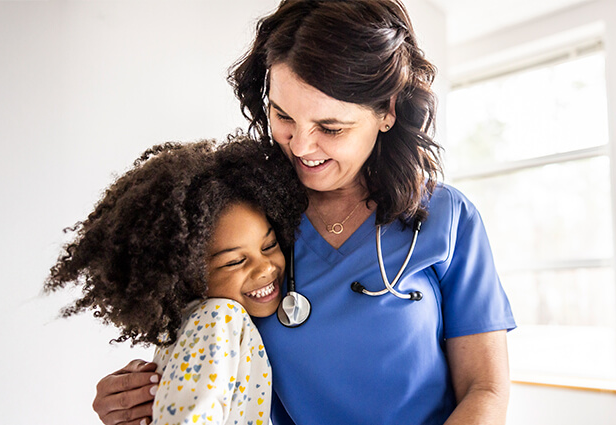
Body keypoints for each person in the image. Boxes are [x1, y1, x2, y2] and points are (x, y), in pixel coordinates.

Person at [90, 1, 516, 424]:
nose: (300, 146)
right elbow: (204, 348)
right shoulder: (245, 217)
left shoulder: (448, 217)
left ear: (387, 111)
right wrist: (141, 395)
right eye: (283, 115)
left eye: (330, 128)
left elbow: (486, 390)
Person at [47, 140, 304, 424]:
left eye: (269, 245)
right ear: (188, 275)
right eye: (234, 262)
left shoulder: (187, 325)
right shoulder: (219, 319)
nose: (265, 267)